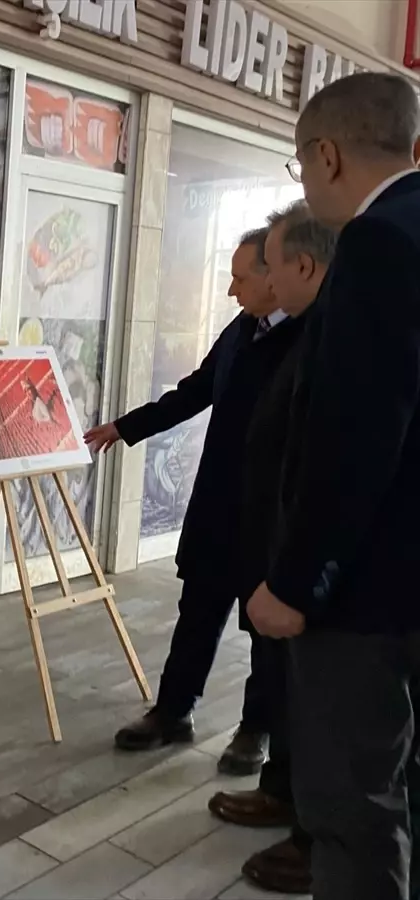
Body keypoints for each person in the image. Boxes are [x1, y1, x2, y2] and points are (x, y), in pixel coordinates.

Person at [244, 72, 420, 900]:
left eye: (301, 167)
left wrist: (295, 581)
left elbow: (356, 435)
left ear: (326, 153)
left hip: (368, 594)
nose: (307, 185)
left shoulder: (381, 242)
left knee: (350, 812)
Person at [86, 231, 282, 774]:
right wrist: (126, 428)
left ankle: (256, 727)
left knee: (265, 630)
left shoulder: (312, 338)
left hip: (271, 516)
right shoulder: (242, 331)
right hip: (219, 503)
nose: (231, 289)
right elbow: (196, 391)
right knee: (196, 612)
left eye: (241, 278)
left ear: (279, 274)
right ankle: (173, 711)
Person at [205, 200, 335, 896]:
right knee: (286, 683)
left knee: (327, 708)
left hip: (314, 563)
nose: (257, 285)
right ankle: (285, 796)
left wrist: (295, 573)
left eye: (268, 268)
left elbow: (332, 464)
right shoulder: (285, 329)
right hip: (271, 541)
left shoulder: (339, 331)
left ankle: (320, 839)